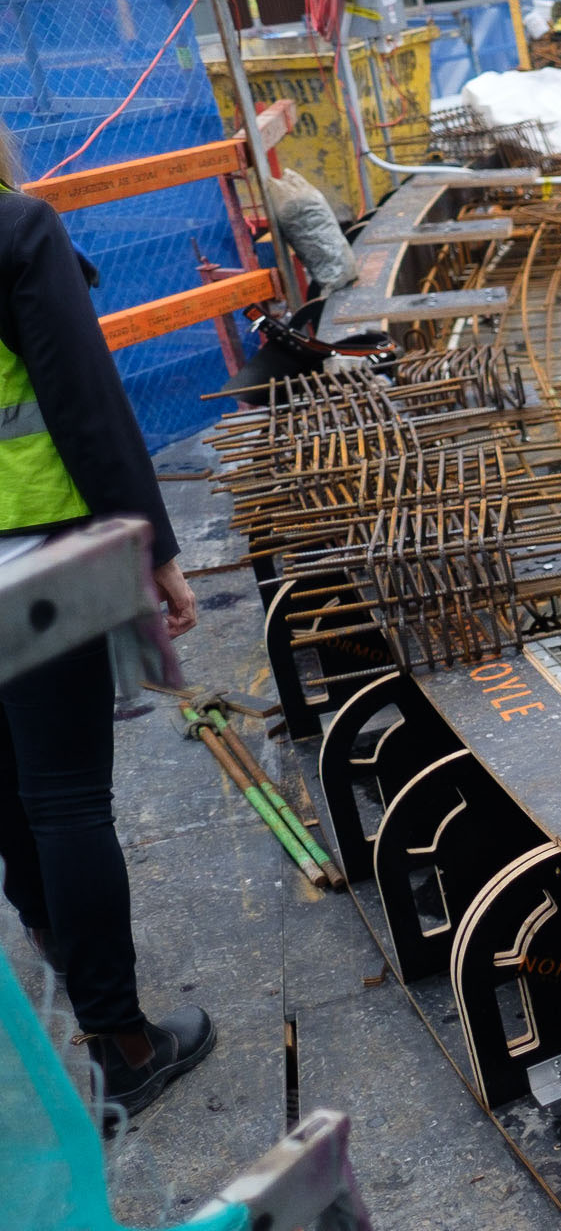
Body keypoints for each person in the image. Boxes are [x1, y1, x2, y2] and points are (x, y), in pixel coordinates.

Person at [0, 165, 210, 1120]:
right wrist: (153, 548)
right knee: (65, 794)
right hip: (31, 549)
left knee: (10, 789)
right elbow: (83, 402)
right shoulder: (18, 230)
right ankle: (122, 1043)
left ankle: (57, 952)